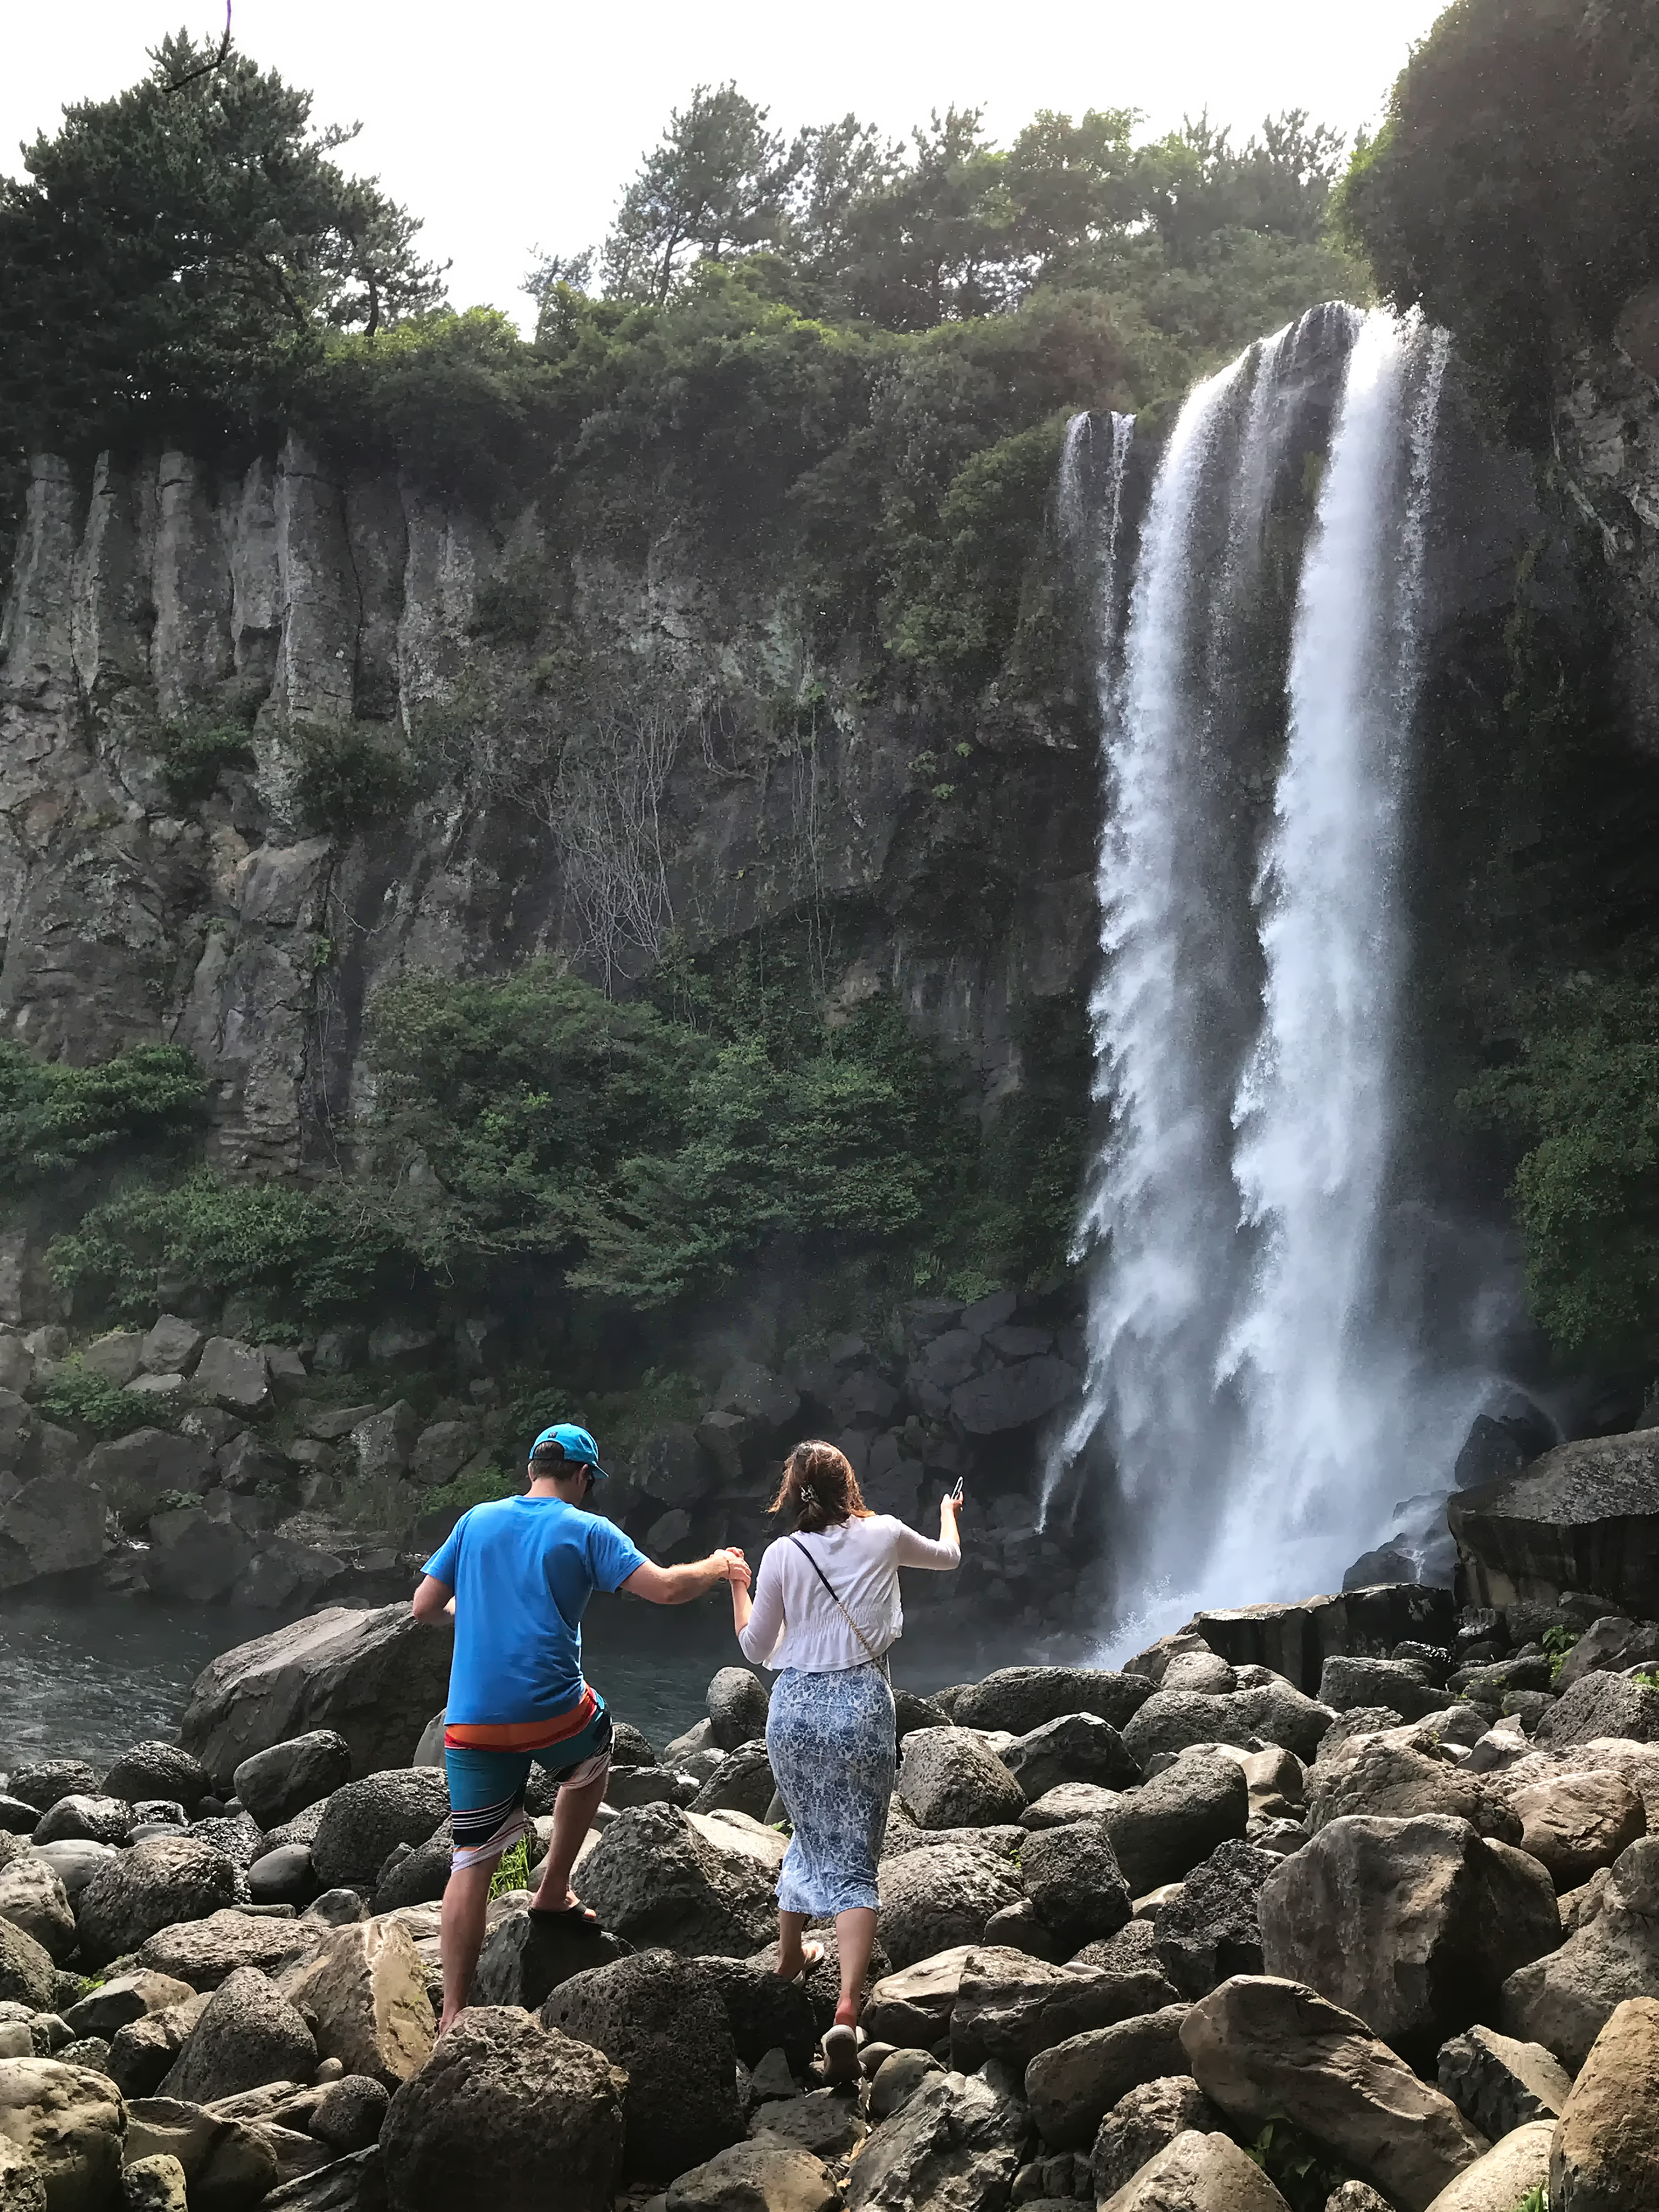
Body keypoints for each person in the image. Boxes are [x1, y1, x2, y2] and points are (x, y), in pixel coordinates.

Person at [411, 1420, 750, 2032]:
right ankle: (553, 1889)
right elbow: (669, 1590)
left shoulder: (476, 1521)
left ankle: (454, 2012)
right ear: (585, 1477)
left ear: (531, 1470)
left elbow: (424, 1608)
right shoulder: (587, 1528)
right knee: (596, 1747)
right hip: (553, 1713)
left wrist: (475, 1609)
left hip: (473, 1724)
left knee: (471, 1859)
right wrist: (720, 1565)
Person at [726, 1438, 961, 2079]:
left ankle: (788, 1960)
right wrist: (948, 1510)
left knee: (807, 1830)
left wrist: (738, 1587)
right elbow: (948, 1557)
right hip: (859, 1703)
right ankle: (847, 2011)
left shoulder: (780, 1554)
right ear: (846, 1484)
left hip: (795, 1709)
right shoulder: (882, 1534)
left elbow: (754, 1647)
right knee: (855, 1856)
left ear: (792, 1491)